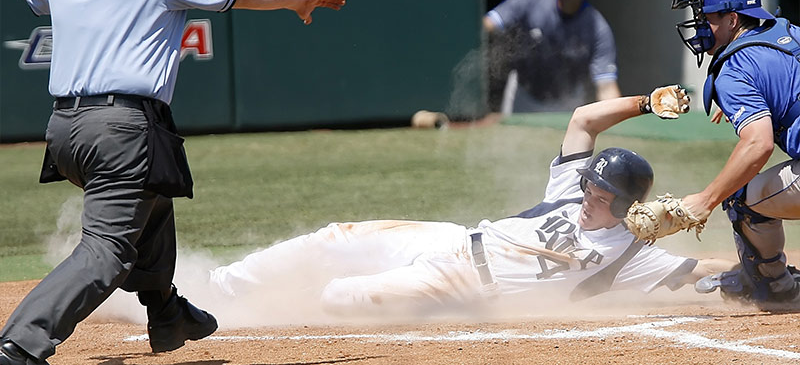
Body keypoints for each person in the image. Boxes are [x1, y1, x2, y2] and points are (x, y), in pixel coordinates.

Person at [0, 0, 346, 363]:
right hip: (122, 128)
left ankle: (167, 313)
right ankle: (19, 345)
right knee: (107, 250)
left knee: (154, 199)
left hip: (64, 131)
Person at [205, 89, 734, 319]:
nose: (588, 200)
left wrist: (768, 270)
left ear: (626, 206)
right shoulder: (569, 192)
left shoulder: (631, 254)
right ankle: (218, 289)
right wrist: (645, 103)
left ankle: (273, 305)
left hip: (463, 285)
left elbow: (701, 268)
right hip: (452, 239)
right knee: (332, 238)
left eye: (601, 197)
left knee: (339, 298)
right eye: (589, 189)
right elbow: (582, 120)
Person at [671, 0, 800, 310]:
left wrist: (707, 199)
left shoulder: (735, 69)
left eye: (707, 19)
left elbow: (759, 145)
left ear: (732, 20)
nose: (699, 27)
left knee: (739, 197)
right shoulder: (791, 33)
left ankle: (776, 287)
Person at [483, 0, 621, 115]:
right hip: (524, 96)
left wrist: (616, 122)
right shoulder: (529, 2)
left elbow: (606, 85)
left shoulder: (597, 27)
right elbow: (487, 25)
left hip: (568, 102)